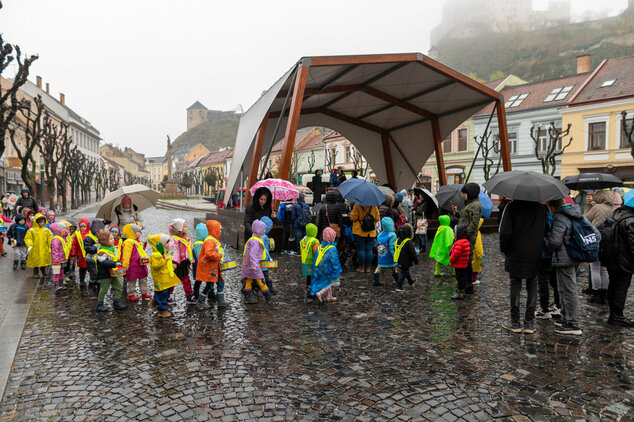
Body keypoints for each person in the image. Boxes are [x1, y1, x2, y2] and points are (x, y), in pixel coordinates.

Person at [545, 198, 599, 336]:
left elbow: (555, 242)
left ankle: (573, 324)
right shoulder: (578, 214)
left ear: (552, 208)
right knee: (565, 290)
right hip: (575, 258)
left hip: (564, 259)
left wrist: (547, 241)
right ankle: (565, 319)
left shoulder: (560, 217)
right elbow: (597, 235)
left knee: (568, 291)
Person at [499, 200, 548, 333]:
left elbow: (504, 232)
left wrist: (504, 249)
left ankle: (515, 322)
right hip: (535, 252)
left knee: (515, 284)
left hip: (516, 251)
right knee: (532, 284)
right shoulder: (541, 208)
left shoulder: (512, 207)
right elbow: (546, 229)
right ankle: (529, 322)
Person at [602, 197, 634, 327]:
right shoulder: (631, 219)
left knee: (614, 284)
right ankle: (617, 316)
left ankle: (613, 314)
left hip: (612, 257)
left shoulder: (617, 213)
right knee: (621, 286)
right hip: (624, 260)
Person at [451, 183, 482, 294]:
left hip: (467, 237)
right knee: (464, 260)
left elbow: (474, 224)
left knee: (467, 261)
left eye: (464, 193)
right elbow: (465, 219)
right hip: (464, 236)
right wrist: (456, 212)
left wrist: (463, 235)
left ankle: (467, 285)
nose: (462, 195)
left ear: (470, 194)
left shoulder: (475, 205)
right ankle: (464, 285)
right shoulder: (469, 204)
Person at [584, 190, 613, 304]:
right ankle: (604, 293)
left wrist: (588, 207)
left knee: (595, 268)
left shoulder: (597, 207)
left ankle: (596, 293)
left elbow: (585, 219)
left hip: (596, 239)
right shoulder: (611, 208)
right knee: (604, 269)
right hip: (608, 241)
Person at [241, 219, 276, 304]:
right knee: (260, 278)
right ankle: (267, 295)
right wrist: (254, 264)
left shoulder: (254, 239)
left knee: (250, 278)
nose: (264, 230)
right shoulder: (256, 241)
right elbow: (252, 254)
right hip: (253, 265)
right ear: (259, 230)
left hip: (250, 264)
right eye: (263, 229)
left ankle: (247, 294)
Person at [148, 233, 180, 317]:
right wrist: (163, 261)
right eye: (166, 242)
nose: (168, 244)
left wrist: (172, 263)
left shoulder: (165, 252)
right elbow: (155, 266)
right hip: (161, 278)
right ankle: (162, 310)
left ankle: (155, 303)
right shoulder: (155, 255)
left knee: (162, 292)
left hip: (166, 277)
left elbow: (171, 256)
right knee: (163, 293)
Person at [196, 220, 226, 309]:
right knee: (210, 285)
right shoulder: (209, 241)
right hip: (210, 268)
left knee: (220, 282)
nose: (220, 232)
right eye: (219, 230)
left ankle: (221, 300)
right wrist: (219, 255)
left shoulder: (213, 240)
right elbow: (209, 253)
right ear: (215, 230)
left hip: (215, 267)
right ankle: (201, 301)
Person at [95, 231, 127, 312]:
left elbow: (114, 258)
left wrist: (120, 262)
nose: (113, 240)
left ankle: (117, 301)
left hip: (113, 272)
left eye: (112, 238)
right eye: (110, 239)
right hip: (105, 274)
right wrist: (115, 264)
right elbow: (104, 262)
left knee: (119, 286)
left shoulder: (112, 248)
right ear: (105, 241)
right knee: (104, 289)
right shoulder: (102, 252)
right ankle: (99, 304)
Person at [167, 218, 196, 305]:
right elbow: (172, 251)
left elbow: (189, 248)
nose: (186, 228)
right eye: (184, 226)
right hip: (176, 264)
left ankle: (189, 295)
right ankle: (167, 296)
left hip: (184, 262)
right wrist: (173, 261)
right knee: (172, 281)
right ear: (179, 228)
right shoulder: (173, 239)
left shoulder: (184, 238)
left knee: (186, 280)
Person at [310, 227, 342, 302]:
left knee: (328, 281)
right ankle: (320, 293)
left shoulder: (320, 247)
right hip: (328, 270)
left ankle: (329, 296)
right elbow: (335, 261)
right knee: (332, 282)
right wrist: (337, 271)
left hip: (319, 269)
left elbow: (316, 258)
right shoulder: (332, 249)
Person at [121, 224, 150, 302]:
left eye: (140, 232)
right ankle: (130, 294)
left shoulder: (138, 241)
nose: (140, 233)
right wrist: (125, 264)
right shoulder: (128, 242)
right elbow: (126, 255)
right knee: (131, 280)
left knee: (143, 278)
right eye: (138, 232)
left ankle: (144, 292)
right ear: (131, 232)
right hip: (132, 265)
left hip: (141, 264)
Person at [350, 202, 379, 273]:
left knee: (361, 250)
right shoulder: (374, 205)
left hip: (359, 231)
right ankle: (368, 268)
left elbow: (353, 217)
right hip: (371, 231)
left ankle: (362, 268)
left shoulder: (357, 205)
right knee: (369, 249)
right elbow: (377, 218)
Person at [24, 213, 53, 280]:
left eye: (43, 222)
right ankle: (36, 272)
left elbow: (50, 238)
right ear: (36, 222)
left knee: (44, 261)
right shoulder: (31, 230)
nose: (42, 223)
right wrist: (30, 244)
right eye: (40, 222)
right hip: (35, 249)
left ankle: (43, 271)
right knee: (36, 262)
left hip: (44, 248)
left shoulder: (46, 230)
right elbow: (28, 238)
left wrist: (51, 245)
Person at [372, 217, 398, 287]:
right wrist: (395, 256)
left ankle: (375, 280)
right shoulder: (392, 235)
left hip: (381, 255)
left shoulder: (380, 234)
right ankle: (398, 280)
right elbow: (392, 247)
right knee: (394, 267)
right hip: (389, 255)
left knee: (379, 267)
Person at [450, 224, 471, 300]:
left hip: (459, 265)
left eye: (454, 232)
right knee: (462, 278)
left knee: (460, 279)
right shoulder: (465, 241)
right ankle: (461, 291)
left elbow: (455, 255)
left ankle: (460, 293)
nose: (453, 234)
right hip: (463, 264)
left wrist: (451, 260)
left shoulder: (459, 243)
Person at [395, 224, 418, 291]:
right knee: (403, 272)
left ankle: (410, 281)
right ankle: (398, 286)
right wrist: (416, 260)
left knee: (405, 271)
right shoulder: (408, 241)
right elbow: (412, 253)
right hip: (406, 260)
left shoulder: (398, 240)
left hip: (399, 259)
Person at [85, 220, 105, 294]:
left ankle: (99, 286)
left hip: (99, 259)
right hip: (91, 260)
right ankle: (90, 286)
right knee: (93, 273)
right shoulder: (89, 238)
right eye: (102, 229)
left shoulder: (101, 237)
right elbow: (87, 248)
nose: (103, 230)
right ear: (97, 230)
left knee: (100, 273)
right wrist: (96, 249)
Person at [70, 218, 91, 288]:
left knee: (91, 269)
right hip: (80, 256)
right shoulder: (77, 235)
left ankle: (92, 281)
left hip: (90, 256)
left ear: (87, 226)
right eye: (81, 227)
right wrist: (73, 254)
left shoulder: (90, 234)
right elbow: (74, 245)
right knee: (82, 269)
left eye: (84, 226)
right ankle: (82, 280)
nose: (83, 228)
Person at [300, 223, 320, 296]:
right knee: (314, 277)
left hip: (305, 261)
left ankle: (308, 289)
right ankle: (313, 290)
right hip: (313, 262)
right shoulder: (315, 241)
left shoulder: (303, 240)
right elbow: (316, 252)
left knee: (308, 276)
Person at [260, 216, 278, 295]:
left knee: (262, 275)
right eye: (270, 228)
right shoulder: (263, 237)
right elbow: (265, 249)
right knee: (265, 275)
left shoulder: (263, 236)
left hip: (263, 259)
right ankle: (269, 289)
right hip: (263, 260)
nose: (270, 230)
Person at [49, 223, 70, 292]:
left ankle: (61, 284)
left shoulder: (63, 238)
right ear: (58, 230)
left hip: (63, 259)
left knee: (61, 271)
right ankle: (56, 285)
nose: (65, 229)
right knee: (56, 272)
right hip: (57, 260)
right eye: (63, 228)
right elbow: (55, 250)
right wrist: (55, 260)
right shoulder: (56, 239)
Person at [192, 222, 208, 304]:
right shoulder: (199, 245)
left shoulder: (202, 243)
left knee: (207, 279)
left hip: (202, 265)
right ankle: (196, 293)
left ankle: (210, 292)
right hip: (200, 266)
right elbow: (200, 256)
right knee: (199, 280)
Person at [471, 219, 484, 285]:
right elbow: (478, 246)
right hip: (475, 254)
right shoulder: (477, 233)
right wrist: (481, 255)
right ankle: (473, 280)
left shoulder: (469, 230)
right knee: (475, 268)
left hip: (469, 252)